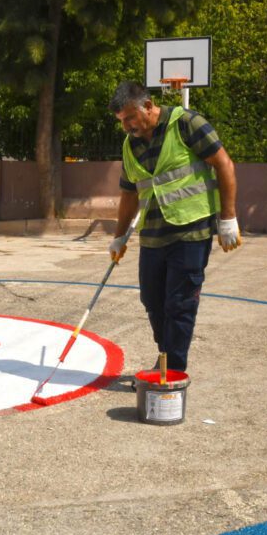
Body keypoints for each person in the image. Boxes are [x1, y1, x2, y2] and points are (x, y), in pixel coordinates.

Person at [107, 80, 241, 375]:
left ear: (148, 106)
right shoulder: (131, 145)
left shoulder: (186, 124)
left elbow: (224, 165)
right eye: (121, 121)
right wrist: (118, 239)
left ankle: (172, 371)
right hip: (153, 235)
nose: (126, 125)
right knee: (153, 301)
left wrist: (227, 218)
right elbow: (129, 194)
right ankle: (166, 355)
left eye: (130, 117)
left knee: (179, 304)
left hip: (191, 231)